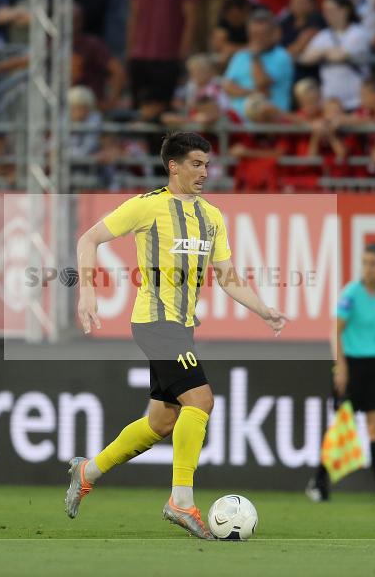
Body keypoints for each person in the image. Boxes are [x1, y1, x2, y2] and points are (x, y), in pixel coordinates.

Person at [69, 132, 287, 538]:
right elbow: (89, 239)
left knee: (161, 421)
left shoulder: (212, 216)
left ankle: (88, 470)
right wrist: (87, 291)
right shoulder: (147, 207)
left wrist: (264, 310)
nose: (205, 172)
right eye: (197, 164)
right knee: (201, 400)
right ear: (174, 166)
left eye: (207, 164)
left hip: (181, 328)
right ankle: (181, 501)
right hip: (155, 323)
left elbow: (227, 277)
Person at [306, 242, 375, 504]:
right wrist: (340, 367)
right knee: (342, 428)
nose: (368, 268)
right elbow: (335, 330)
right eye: (364, 263)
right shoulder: (351, 293)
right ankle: (318, 483)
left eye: (373, 263)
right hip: (351, 365)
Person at [126, 0, 198, 108]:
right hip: (140, 55)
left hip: (169, 56)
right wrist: (130, 49)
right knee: (138, 108)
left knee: (164, 108)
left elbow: (190, 18)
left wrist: (183, 52)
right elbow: (134, 14)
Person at [299, 0, 370, 111]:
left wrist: (321, 53)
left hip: (356, 101)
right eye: (325, 11)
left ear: (345, 11)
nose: (327, 14)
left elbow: (340, 56)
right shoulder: (324, 35)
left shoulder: (358, 33)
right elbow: (306, 58)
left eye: (331, 10)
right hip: (330, 102)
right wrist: (327, 52)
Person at [222, 10, 294, 119]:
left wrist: (255, 56)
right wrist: (253, 92)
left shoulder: (282, 56)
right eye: (254, 35)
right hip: (239, 125)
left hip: (271, 125)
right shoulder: (240, 55)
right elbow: (227, 86)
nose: (257, 39)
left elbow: (261, 83)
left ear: (273, 34)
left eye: (263, 34)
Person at [279, 0, 326, 83]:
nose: (296, 4)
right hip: (287, 72)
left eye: (301, 0)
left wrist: (284, 55)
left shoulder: (317, 21)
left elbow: (301, 45)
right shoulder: (285, 22)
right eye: (294, 0)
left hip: (309, 75)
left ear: (312, 3)